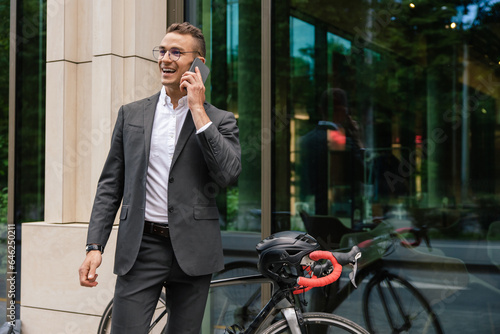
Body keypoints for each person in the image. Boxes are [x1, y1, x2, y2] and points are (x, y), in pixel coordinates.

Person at [78, 22, 241, 334]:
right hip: (141, 246)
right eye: (162, 51)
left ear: (198, 64)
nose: (165, 58)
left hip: (193, 250)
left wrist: (198, 111)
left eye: (176, 52)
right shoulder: (132, 114)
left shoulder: (219, 120)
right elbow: (111, 184)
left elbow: (228, 175)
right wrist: (95, 246)